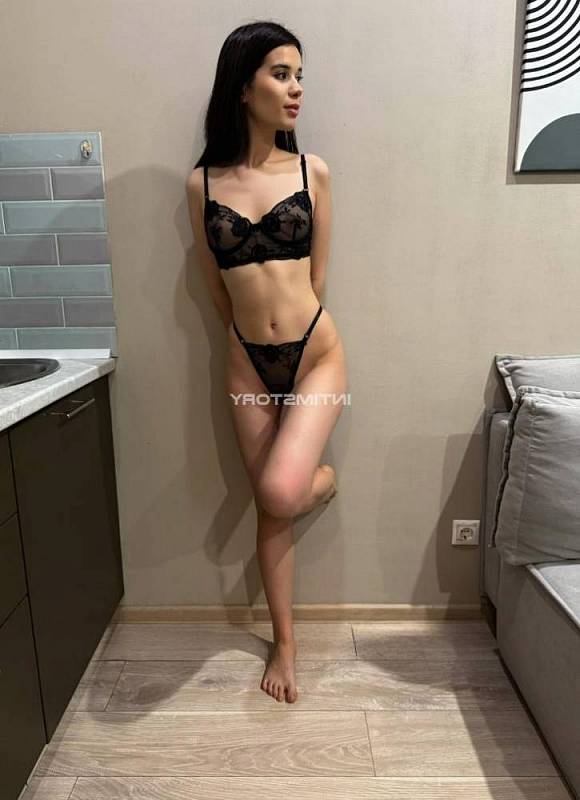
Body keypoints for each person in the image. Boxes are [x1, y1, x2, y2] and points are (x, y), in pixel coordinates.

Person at [185, 21, 347, 704]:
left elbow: (318, 277)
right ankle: (284, 643)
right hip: (245, 362)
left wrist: (291, 333)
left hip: (314, 357)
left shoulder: (313, 173)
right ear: (243, 85)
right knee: (271, 508)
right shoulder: (201, 184)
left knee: (281, 492)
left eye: (299, 75)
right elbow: (216, 289)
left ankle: (322, 481)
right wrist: (250, 342)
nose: (296, 89)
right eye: (281, 74)